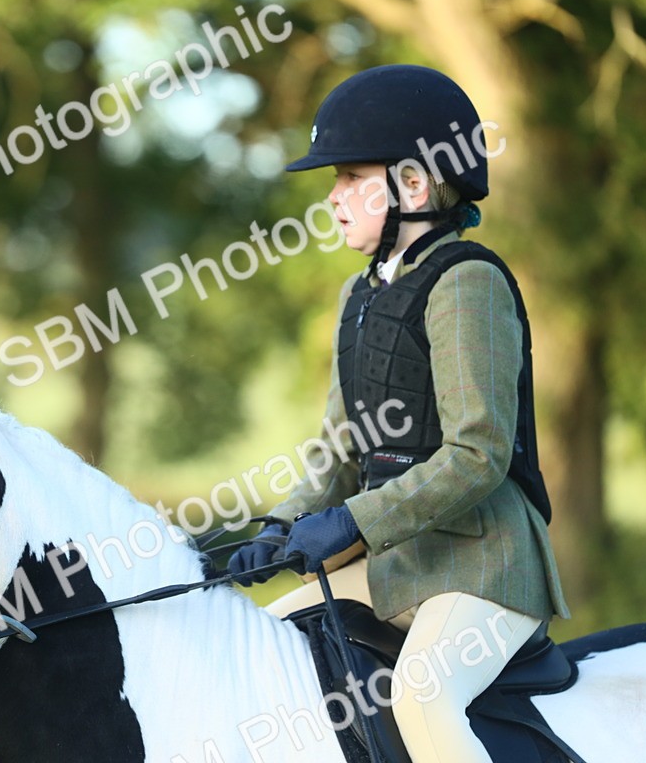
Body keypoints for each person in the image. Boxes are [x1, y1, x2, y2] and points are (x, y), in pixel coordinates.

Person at [228, 64, 570, 763]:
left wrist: (353, 522)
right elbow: (337, 449)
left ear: (413, 185)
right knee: (258, 650)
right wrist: (277, 527)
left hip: (484, 564)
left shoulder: (467, 283)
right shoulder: (361, 296)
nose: (332, 198)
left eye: (351, 177)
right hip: (401, 560)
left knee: (421, 694)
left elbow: (478, 453)